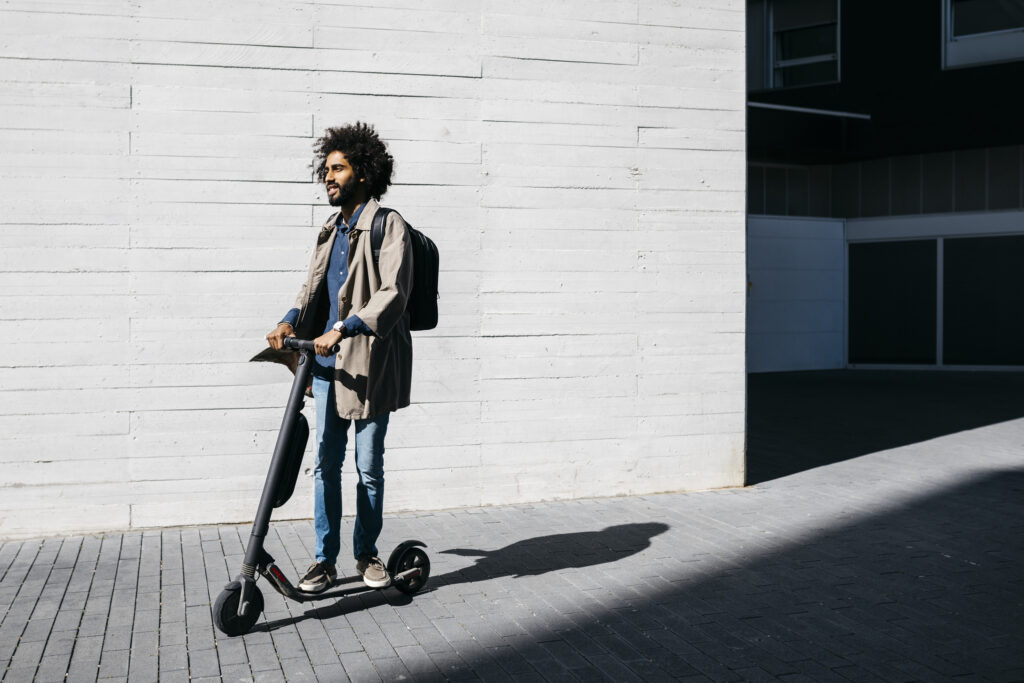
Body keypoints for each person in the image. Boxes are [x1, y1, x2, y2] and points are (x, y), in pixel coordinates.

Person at [265, 122, 413, 592]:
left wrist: (343, 329)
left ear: (363, 173)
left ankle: (367, 556)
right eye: (325, 169)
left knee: (368, 468)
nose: (328, 176)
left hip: (369, 366)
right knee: (326, 465)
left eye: (338, 168)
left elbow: (391, 294)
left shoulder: (389, 227)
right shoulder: (330, 230)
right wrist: (288, 320)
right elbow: (311, 290)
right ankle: (324, 561)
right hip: (327, 368)